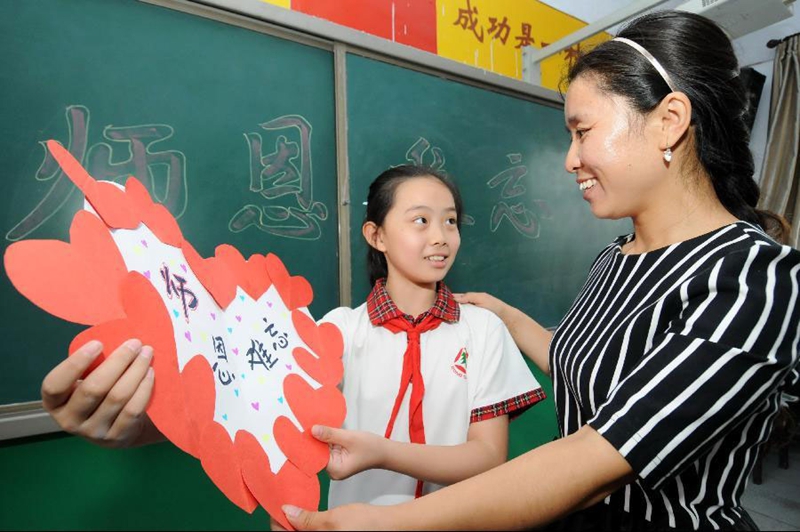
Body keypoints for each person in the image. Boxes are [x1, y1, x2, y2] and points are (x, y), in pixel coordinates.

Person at [279, 10, 800, 531]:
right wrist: (504, 312)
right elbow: (598, 366)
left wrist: (382, 523)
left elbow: (593, 463)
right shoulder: (618, 255)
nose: (570, 159)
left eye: (583, 130)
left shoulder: (755, 277)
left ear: (668, 121)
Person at [40, 165, 544, 512]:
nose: (441, 236)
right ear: (376, 236)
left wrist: (380, 451)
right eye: (421, 221)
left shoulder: (482, 329)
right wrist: (130, 426)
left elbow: (487, 457)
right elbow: (235, 407)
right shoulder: (334, 333)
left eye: (451, 222)